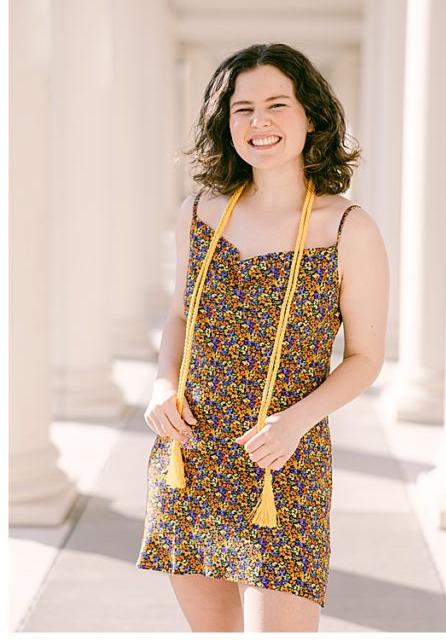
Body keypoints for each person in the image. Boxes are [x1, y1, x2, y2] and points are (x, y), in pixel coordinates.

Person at [136, 43, 388, 632]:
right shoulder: (199, 211)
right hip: (189, 453)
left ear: (311, 117)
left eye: (277, 104)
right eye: (241, 109)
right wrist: (160, 385)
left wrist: (296, 421)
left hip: (284, 459)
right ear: (226, 124)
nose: (259, 122)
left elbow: (365, 357)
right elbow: (180, 316)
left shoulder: (348, 226)